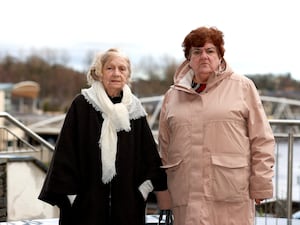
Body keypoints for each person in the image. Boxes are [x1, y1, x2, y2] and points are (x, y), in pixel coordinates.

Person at [39, 48, 171, 225]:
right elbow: (65, 152)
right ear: (100, 73)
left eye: (122, 69)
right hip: (84, 205)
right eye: (110, 68)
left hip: (128, 205)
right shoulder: (82, 104)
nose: (116, 73)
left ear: (128, 75)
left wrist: (145, 189)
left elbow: (149, 156)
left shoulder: (135, 108)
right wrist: (71, 196)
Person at [158, 26, 275, 225]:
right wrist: (164, 196)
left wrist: (261, 184)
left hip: (230, 192)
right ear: (189, 58)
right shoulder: (172, 95)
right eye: (197, 51)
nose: (204, 56)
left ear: (220, 56)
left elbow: (261, 139)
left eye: (210, 51)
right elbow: (164, 146)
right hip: (185, 196)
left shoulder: (243, 87)